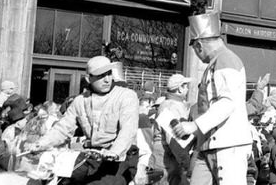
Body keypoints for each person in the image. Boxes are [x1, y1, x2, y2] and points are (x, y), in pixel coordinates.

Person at [31, 54, 141, 185]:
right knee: (58, 180)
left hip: (120, 159)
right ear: (89, 79)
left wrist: (114, 152)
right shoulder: (80, 100)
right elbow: (63, 128)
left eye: (109, 74)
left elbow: (128, 130)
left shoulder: (126, 96)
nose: (107, 79)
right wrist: (41, 143)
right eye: (101, 76)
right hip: (92, 157)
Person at [172, 11, 254, 185]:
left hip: (228, 146)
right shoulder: (219, 61)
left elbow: (228, 102)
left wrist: (195, 125)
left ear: (199, 46)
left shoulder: (226, 60)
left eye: (195, 49)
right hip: (210, 145)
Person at [158, 75, 194, 185]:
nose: (187, 89)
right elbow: (174, 140)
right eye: (186, 86)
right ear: (179, 88)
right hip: (169, 158)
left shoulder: (169, 104)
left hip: (169, 157)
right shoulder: (172, 106)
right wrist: (187, 164)